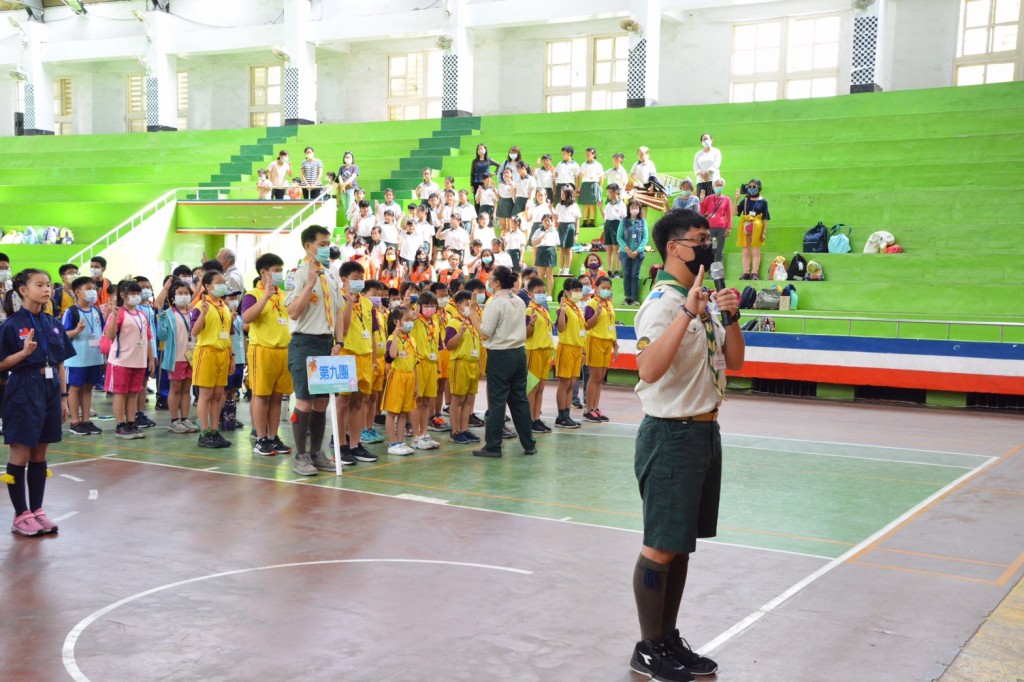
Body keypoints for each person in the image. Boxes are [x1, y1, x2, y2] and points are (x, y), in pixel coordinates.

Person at [628, 208, 743, 682]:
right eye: (698, 239)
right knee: (659, 547)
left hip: (703, 431)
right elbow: (648, 369)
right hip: (670, 434)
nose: (707, 246)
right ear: (674, 248)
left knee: (679, 547)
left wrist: (731, 316)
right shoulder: (662, 302)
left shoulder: (702, 299)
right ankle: (648, 647)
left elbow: (733, 360)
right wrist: (686, 313)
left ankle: (668, 637)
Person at [1, 269, 75, 536]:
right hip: (23, 388)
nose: (46, 290)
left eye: (47, 285)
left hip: (51, 389)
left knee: (40, 454)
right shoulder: (10, 325)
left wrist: (65, 398)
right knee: (21, 452)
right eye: (39, 285)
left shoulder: (53, 323)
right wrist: (22, 353)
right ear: (23, 290)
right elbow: (2, 364)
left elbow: (60, 363)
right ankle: (21, 515)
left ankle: (37, 511)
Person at [285, 225, 345, 475]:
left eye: (328, 243)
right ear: (308, 246)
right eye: (322, 244)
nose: (326, 248)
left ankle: (316, 453)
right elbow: (293, 312)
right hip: (304, 342)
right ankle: (301, 456)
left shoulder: (330, 275)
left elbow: (338, 310)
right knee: (305, 402)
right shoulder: (297, 274)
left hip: (325, 343)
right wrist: (309, 283)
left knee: (322, 403)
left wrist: (339, 342)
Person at [472, 266, 537, 458]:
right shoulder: (518, 300)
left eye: (490, 279)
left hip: (500, 355)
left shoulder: (495, 302)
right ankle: (529, 443)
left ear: (497, 282)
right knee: (519, 400)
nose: (488, 282)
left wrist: (473, 314)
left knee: (498, 401)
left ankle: (493, 446)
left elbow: (484, 333)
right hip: (519, 353)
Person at [240, 255, 293, 456]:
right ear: (263, 273)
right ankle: (261, 438)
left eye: (281, 269)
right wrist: (266, 297)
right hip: (262, 350)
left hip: (283, 351)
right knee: (261, 396)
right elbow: (246, 318)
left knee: (277, 398)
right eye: (276, 269)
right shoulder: (252, 295)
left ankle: (272, 437)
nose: (279, 273)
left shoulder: (285, 295)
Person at [336, 260, 380, 464]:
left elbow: (371, 333)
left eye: (361, 279)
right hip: (346, 355)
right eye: (355, 279)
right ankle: (340, 444)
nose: (359, 283)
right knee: (343, 401)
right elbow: (343, 329)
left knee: (359, 402)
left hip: (364, 357)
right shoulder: (338, 298)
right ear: (344, 280)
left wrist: (372, 359)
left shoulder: (368, 303)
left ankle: (355, 443)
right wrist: (349, 302)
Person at [106, 280, 156, 440]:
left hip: (139, 362)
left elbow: (147, 338)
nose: (136, 297)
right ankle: (120, 425)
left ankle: (131, 422)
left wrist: (150, 359)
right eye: (132, 294)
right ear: (123, 296)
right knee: (120, 393)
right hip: (121, 361)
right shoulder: (119, 313)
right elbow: (110, 335)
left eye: (137, 294)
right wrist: (113, 316)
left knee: (134, 393)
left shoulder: (141, 315)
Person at [189, 272, 233, 448]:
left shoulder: (225, 306)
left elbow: (227, 334)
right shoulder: (201, 306)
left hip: (222, 353)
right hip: (206, 352)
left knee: (217, 395)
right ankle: (204, 433)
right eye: (218, 282)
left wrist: (231, 356)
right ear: (207, 286)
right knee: (205, 395)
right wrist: (203, 314)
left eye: (224, 282)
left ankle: (215, 431)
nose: (222, 285)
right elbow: (194, 331)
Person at [63, 276, 105, 436]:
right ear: (78, 292)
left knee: (88, 388)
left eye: (94, 288)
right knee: (74, 388)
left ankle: (86, 420)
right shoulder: (71, 311)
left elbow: (101, 331)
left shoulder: (96, 311)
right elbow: (63, 335)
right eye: (88, 288)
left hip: (94, 356)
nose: (92, 291)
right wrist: (76, 331)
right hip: (76, 359)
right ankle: (75, 421)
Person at [157, 279, 199, 435]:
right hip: (176, 357)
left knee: (187, 389)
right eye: (180, 293)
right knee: (175, 389)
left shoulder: (194, 312)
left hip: (191, 356)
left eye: (186, 293)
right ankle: (174, 420)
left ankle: (185, 418)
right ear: (173, 297)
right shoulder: (167, 314)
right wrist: (161, 320)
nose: (184, 296)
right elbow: (162, 335)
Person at [444, 290, 481, 444]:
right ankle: (455, 431)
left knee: (468, 399)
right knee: (458, 399)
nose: (470, 308)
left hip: (473, 364)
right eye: (467, 305)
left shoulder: (473, 324)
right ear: (458, 306)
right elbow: (449, 345)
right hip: (460, 364)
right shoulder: (454, 323)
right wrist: (459, 333)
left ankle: (465, 429)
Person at [381, 306, 418, 455]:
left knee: (404, 412)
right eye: (407, 320)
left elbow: (415, 363)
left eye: (411, 320)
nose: (410, 323)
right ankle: (392, 443)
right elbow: (392, 355)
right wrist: (395, 335)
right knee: (392, 412)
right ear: (397, 322)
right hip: (397, 376)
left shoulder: (412, 339)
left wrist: (416, 385)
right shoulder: (392, 338)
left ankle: (401, 441)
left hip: (410, 377)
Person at [409, 291, 442, 450]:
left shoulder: (435, 321)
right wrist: (410, 311)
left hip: (432, 363)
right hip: (419, 363)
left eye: (433, 306)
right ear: (420, 306)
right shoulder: (415, 320)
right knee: (417, 399)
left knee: (427, 400)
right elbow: (404, 320)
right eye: (426, 305)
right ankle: (416, 435)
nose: (430, 309)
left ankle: (424, 433)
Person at [583, 276, 618, 422]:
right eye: (603, 288)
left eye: (608, 288)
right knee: (595, 376)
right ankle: (588, 409)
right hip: (595, 341)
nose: (606, 290)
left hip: (607, 342)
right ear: (596, 288)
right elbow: (586, 325)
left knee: (600, 378)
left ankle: (596, 408)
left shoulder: (609, 304)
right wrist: (596, 315)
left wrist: (615, 344)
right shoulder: (592, 304)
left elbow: (612, 325)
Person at [553, 278, 585, 429]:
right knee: (564, 383)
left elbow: (582, 332)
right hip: (566, 348)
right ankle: (561, 416)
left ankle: (567, 414)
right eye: (575, 290)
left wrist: (583, 352)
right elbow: (560, 328)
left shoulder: (577, 309)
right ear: (566, 292)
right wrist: (562, 312)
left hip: (577, 349)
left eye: (579, 290)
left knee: (572, 383)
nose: (578, 293)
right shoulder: (564, 308)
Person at [524, 277, 554, 433]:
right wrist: (531, 323)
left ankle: (536, 418)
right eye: (538, 292)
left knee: (541, 387)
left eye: (543, 292)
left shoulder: (545, 311)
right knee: (532, 387)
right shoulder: (530, 311)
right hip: (534, 351)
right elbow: (525, 334)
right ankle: (528, 419)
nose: (541, 295)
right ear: (530, 294)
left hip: (545, 351)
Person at [735, 178, 770, 280]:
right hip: (745, 227)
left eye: (753, 187)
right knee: (745, 251)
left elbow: (765, 218)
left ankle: (755, 273)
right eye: (749, 187)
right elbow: (735, 213)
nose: (751, 189)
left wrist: (764, 232)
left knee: (756, 251)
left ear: (759, 188)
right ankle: (746, 273)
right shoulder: (745, 200)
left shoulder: (763, 202)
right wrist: (736, 199)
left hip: (757, 228)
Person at [618, 199, 649, 306]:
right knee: (626, 274)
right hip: (624, 253)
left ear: (639, 209)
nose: (634, 209)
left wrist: (637, 251)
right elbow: (619, 237)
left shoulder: (643, 221)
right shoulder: (623, 221)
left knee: (634, 275)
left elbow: (645, 238)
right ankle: (627, 298)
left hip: (638, 254)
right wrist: (627, 249)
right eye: (632, 207)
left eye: (636, 207)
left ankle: (635, 299)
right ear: (629, 209)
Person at [701, 177, 733, 264]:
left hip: (722, 228)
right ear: (713, 186)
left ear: (723, 186)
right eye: (717, 185)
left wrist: (729, 228)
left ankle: (719, 273)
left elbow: (729, 214)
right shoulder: (708, 198)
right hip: (710, 227)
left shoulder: (726, 199)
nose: (719, 187)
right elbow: (702, 212)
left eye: (720, 185)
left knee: (719, 251)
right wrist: (701, 200)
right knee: (711, 250)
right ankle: (711, 272)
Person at [554, 186, 582, 276]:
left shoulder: (575, 206)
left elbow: (577, 220)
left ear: (568, 195)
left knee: (569, 250)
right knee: (562, 249)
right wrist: (551, 209)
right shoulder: (558, 205)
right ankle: (561, 269)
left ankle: (567, 269)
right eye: (561, 194)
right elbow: (555, 217)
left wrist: (576, 234)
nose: (561, 195)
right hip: (561, 227)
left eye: (563, 194)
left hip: (570, 227)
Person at [531, 213, 558, 295]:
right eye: (545, 221)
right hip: (541, 252)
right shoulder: (538, 231)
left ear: (551, 222)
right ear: (542, 222)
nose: (547, 222)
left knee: (550, 275)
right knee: (540, 276)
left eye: (549, 221)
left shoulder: (554, 231)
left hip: (550, 252)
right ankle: (540, 294)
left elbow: (556, 244)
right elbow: (534, 243)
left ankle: (549, 295)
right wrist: (541, 238)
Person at [577, 147, 604, 227]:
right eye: (586, 155)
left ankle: (592, 222)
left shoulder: (598, 165)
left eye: (589, 154)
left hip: (594, 185)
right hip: (585, 185)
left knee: (592, 204)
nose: (587, 156)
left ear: (593, 154)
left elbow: (601, 177)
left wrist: (599, 187)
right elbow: (580, 176)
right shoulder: (583, 164)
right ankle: (584, 222)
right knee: (585, 204)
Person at [603, 184, 626, 278]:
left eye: (610, 192)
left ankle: (617, 270)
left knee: (616, 250)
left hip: (617, 224)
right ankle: (609, 270)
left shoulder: (621, 204)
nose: (608, 194)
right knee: (609, 250)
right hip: (607, 224)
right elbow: (605, 217)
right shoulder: (608, 204)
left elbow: (623, 217)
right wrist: (600, 208)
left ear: (616, 192)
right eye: (608, 192)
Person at [693, 132, 721, 201]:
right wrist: (701, 174)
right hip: (701, 181)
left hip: (713, 181)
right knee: (701, 201)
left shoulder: (716, 152)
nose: (705, 141)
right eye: (703, 139)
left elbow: (716, 164)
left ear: (711, 140)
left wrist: (707, 173)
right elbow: (695, 166)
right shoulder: (698, 154)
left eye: (707, 139)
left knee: (712, 201)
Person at [470, 144, 499, 210]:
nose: (480, 150)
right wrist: (471, 184)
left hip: (486, 182)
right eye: (478, 149)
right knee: (477, 201)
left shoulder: (489, 160)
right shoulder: (475, 161)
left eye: (481, 149)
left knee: (487, 200)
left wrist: (495, 173)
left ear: (485, 150)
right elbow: (472, 173)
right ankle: (478, 218)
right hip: (477, 183)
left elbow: (499, 165)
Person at [338, 150, 359, 218]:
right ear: (344, 158)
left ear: (352, 159)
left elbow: (353, 176)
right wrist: (342, 185)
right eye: (346, 157)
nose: (347, 158)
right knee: (345, 206)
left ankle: (351, 222)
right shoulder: (341, 168)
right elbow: (340, 177)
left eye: (349, 157)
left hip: (351, 188)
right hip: (343, 189)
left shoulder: (354, 167)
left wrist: (344, 184)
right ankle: (347, 223)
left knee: (351, 205)